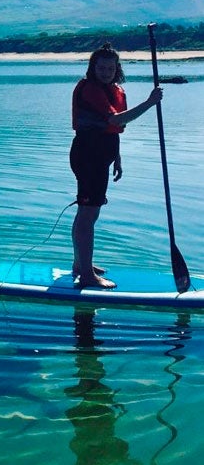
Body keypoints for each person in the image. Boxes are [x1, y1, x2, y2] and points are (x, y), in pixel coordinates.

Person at [70, 43, 162, 288]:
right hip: (88, 155)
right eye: (101, 67)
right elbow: (116, 119)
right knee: (88, 213)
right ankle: (87, 276)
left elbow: (112, 130)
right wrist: (150, 103)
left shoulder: (113, 89)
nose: (106, 72)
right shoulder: (91, 89)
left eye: (110, 68)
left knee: (88, 212)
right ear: (93, 67)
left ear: (117, 69)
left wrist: (117, 156)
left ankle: (80, 264)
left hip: (101, 154)